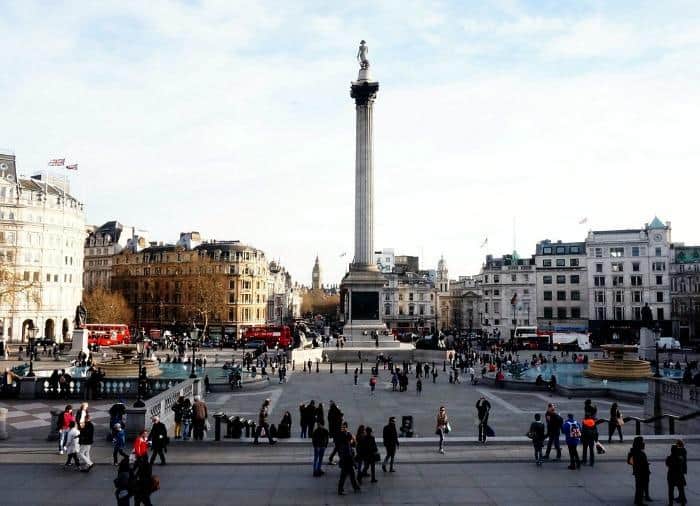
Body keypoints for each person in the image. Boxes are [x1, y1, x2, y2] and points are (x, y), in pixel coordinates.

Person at [336, 423, 360, 495]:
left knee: (350, 475)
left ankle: (355, 487)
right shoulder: (347, 445)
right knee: (344, 476)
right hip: (347, 462)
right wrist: (354, 464)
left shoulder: (344, 443)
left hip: (345, 461)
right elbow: (350, 455)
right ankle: (341, 490)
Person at [628, 436, 652, 505]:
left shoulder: (636, 451)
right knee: (640, 487)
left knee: (641, 485)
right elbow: (632, 462)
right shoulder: (638, 453)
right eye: (642, 442)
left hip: (640, 471)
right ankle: (639, 501)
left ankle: (642, 498)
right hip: (641, 472)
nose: (644, 443)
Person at [327, 401, 343, 465]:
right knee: (338, 446)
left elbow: (330, 421)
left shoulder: (331, 412)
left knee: (337, 447)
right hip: (337, 432)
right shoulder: (336, 412)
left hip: (334, 432)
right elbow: (339, 420)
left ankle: (338, 458)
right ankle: (334, 458)